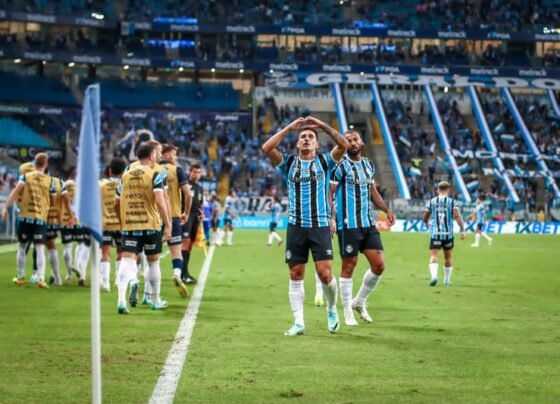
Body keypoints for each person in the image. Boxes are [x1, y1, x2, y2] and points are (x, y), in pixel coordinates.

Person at [262, 115, 349, 336]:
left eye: (311, 137)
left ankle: (331, 309)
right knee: (295, 273)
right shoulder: (288, 163)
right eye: (303, 137)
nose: (307, 139)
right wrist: (291, 127)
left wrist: (321, 125)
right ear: (297, 143)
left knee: (325, 274)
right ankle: (299, 322)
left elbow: (344, 144)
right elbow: (267, 147)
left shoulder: (325, 161)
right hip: (296, 226)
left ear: (317, 144)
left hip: (319, 225)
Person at [330, 130, 396, 325]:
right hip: (348, 224)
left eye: (355, 139)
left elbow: (372, 191)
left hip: (368, 223)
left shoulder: (368, 164)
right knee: (348, 267)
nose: (352, 143)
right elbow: (330, 193)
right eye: (348, 140)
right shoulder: (340, 167)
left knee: (379, 265)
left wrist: (386, 209)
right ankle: (347, 314)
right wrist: (331, 218)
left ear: (361, 141)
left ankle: (359, 301)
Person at [115, 143, 172, 314]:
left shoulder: (125, 176)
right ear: (151, 156)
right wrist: (168, 224)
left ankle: (121, 301)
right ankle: (155, 300)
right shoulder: (155, 175)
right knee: (153, 262)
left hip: (130, 223)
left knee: (127, 261)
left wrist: (121, 220)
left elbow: (116, 202)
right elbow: (160, 201)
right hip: (150, 224)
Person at [1, 153, 55, 288]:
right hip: (40, 219)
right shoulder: (50, 181)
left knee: (22, 246)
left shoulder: (25, 177)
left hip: (25, 217)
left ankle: (20, 277)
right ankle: (41, 279)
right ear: (46, 165)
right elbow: (53, 201)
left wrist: (5, 207)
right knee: (40, 248)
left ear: (34, 163)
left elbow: (15, 191)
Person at [160, 144, 192, 295]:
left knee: (151, 255)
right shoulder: (176, 170)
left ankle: (146, 289)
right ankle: (177, 274)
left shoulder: (150, 170)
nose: (175, 157)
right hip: (173, 216)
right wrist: (185, 212)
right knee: (176, 252)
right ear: (166, 155)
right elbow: (188, 194)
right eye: (173, 154)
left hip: (153, 217)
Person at [422, 181, 466, 286]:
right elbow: (457, 216)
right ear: (448, 190)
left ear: (438, 190)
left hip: (435, 233)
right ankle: (446, 280)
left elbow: (425, 216)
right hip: (448, 234)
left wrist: (426, 223)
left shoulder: (432, 201)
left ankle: (434, 277)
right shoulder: (452, 202)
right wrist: (463, 229)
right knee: (448, 257)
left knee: (434, 256)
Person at [99, 157, 127, 292]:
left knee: (105, 253)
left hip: (105, 223)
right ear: (123, 171)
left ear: (110, 170)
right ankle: (118, 280)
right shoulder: (125, 185)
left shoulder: (101, 185)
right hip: (121, 224)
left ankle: (105, 282)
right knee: (121, 253)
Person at [60, 167, 90, 286]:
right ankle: (79, 269)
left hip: (65, 221)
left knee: (67, 248)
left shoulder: (63, 185)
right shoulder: (82, 188)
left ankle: (69, 273)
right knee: (83, 245)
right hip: (79, 221)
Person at [181, 164, 203, 284]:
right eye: (194, 172)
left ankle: (185, 273)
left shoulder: (200, 188)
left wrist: (201, 213)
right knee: (185, 243)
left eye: (198, 172)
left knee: (189, 246)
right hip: (187, 216)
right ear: (190, 172)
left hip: (196, 218)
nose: (196, 174)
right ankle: (182, 274)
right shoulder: (185, 185)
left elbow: (200, 204)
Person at [45, 172, 64, 286]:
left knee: (45, 246)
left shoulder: (45, 181)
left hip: (44, 217)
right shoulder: (61, 183)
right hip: (56, 218)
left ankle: (55, 277)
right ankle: (54, 275)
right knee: (51, 246)